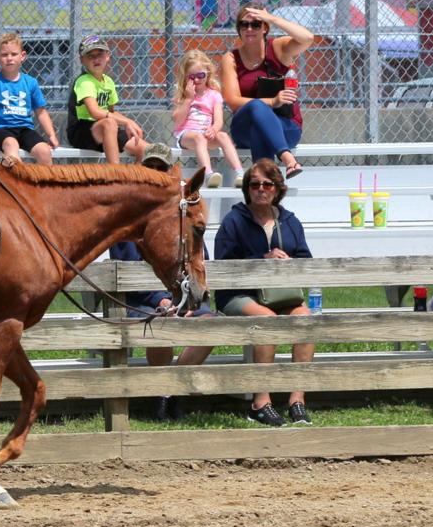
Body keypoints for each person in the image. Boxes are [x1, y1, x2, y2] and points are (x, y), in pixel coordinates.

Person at [107, 143, 214, 419]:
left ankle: (171, 391)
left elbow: (196, 254)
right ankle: (160, 397)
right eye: (149, 167)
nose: (155, 173)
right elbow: (127, 268)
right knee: (161, 318)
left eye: (161, 168)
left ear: (170, 173)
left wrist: (188, 297)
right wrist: (163, 298)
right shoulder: (126, 213)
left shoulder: (182, 211)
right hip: (139, 299)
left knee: (209, 323)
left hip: (179, 294)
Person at [214, 159, 315, 426]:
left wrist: (290, 262)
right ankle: (260, 402)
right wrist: (262, 258)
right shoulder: (233, 221)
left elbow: (306, 259)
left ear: (277, 189)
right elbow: (222, 266)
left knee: (305, 319)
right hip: (239, 295)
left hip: (281, 295)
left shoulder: (290, 221)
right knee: (267, 321)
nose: (260, 189)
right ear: (247, 188)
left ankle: (297, 400)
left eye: (267, 184)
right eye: (254, 184)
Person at [218, 3, 313, 179]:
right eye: (243, 24)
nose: (249, 29)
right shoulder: (231, 58)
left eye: (256, 24)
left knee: (259, 131)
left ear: (265, 28)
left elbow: (307, 38)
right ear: (238, 29)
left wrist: (273, 18)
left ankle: (262, 184)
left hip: (285, 126)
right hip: (244, 127)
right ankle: (287, 158)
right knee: (256, 106)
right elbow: (232, 99)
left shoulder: (278, 48)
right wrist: (271, 102)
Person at [0, 32, 60, 165]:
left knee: (44, 151)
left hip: (24, 129)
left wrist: (51, 135)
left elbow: (41, 112)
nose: (9, 58)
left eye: (13, 54)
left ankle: (43, 184)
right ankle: (17, 181)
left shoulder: (31, 82)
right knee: (11, 144)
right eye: (4, 54)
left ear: (22, 56)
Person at [66, 35, 148, 163]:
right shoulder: (84, 81)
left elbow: (111, 111)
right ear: (82, 60)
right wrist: (126, 122)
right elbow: (95, 112)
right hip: (81, 131)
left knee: (146, 150)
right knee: (110, 123)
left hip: (106, 129)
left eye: (100, 54)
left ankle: (134, 179)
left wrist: (130, 122)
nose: (96, 59)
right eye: (90, 55)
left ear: (108, 56)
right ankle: (114, 173)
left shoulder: (108, 81)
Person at [172, 49, 243, 188]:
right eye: (192, 77)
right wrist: (188, 99)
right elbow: (177, 122)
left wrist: (214, 129)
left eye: (200, 75)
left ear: (208, 74)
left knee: (223, 136)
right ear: (185, 77)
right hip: (186, 135)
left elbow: (218, 120)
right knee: (199, 138)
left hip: (205, 134)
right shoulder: (183, 94)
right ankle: (208, 174)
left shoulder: (214, 95)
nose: (197, 80)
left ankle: (240, 173)